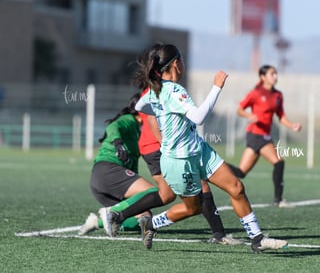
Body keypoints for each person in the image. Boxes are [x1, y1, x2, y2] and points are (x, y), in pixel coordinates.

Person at [100, 43, 288, 253]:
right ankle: (151, 224)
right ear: (176, 63)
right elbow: (198, 118)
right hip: (179, 161)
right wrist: (216, 87)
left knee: (236, 187)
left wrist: (161, 116)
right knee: (194, 208)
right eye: (182, 60)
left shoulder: (156, 90)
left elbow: (139, 106)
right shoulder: (174, 89)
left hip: (199, 150)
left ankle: (257, 239)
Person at [138, 87, 242, 245]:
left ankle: (248, 237)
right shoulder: (159, 90)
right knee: (185, 204)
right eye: (178, 60)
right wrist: (216, 87)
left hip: (191, 152)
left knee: (231, 187)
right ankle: (126, 216)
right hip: (173, 156)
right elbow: (197, 117)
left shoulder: (172, 88)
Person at [78, 93, 166, 237]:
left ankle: (96, 222)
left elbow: (132, 167)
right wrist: (118, 143)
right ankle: (110, 212)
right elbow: (113, 126)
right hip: (108, 171)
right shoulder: (129, 119)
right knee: (154, 193)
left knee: (145, 216)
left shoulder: (140, 131)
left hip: (102, 181)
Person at [227, 65, 302, 207]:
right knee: (279, 162)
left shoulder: (278, 95)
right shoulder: (256, 93)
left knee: (241, 172)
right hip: (256, 134)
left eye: (276, 73)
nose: (275, 76)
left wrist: (292, 125)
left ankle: (215, 166)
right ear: (263, 77)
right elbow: (240, 109)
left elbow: (281, 116)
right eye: (272, 74)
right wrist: (249, 115)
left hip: (263, 135)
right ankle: (278, 200)